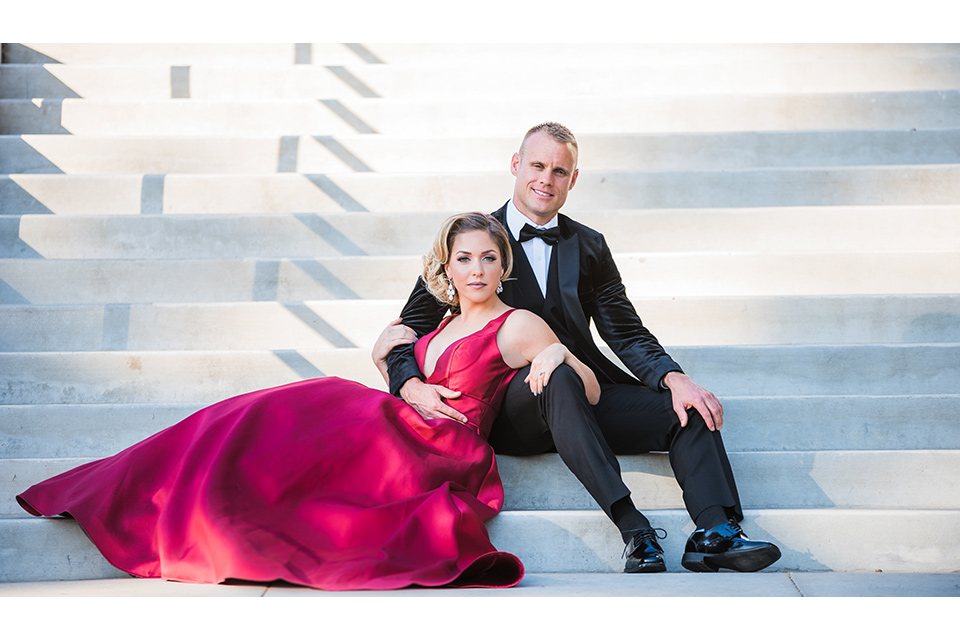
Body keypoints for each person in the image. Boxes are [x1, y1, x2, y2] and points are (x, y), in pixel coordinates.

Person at [17, 213, 600, 590]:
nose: (477, 269)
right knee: (246, 415)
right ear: (445, 267)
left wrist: (559, 358)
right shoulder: (438, 320)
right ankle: (125, 486)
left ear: (505, 265)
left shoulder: (519, 322)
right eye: (465, 258)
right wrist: (402, 370)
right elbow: (387, 352)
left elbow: (589, 390)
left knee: (288, 434)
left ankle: (197, 513)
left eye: (489, 258)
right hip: (397, 419)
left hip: (441, 446)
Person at [379, 122, 781, 573]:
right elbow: (406, 330)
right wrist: (409, 384)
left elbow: (625, 331)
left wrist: (676, 378)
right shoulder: (475, 244)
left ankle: (714, 532)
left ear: (573, 179)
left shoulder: (588, 245)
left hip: (587, 389)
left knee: (687, 407)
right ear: (516, 165)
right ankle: (633, 529)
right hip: (511, 408)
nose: (545, 180)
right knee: (558, 374)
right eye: (536, 166)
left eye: (559, 170)